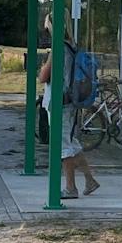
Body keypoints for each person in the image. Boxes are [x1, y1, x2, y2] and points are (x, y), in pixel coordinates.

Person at [37, 40, 99, 198]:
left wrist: (43, 66)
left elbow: (43, 76)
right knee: (71, 144)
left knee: (63, 146)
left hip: (60, 104)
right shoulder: (72, 46)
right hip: (69, 101)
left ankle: (71, 188)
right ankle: (90, 180)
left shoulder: (58, 48)